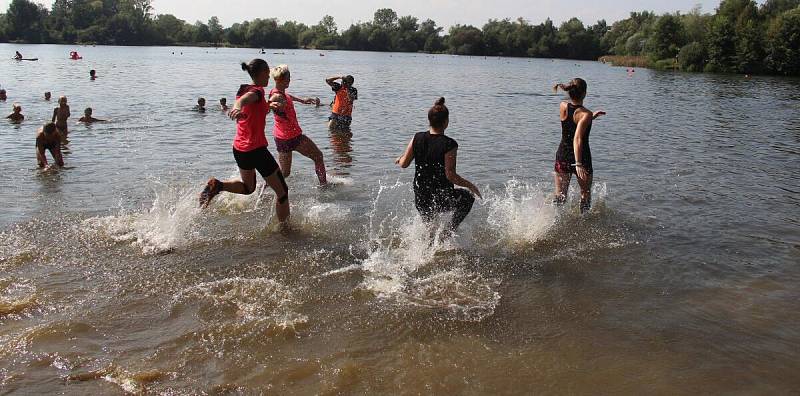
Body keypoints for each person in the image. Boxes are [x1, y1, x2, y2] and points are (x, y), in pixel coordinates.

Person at [198, 59, 290, 224]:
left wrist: (269, 106)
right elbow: (245, 100)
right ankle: (285, 229)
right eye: (267, 75)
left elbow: (252, 105)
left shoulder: (243, 89)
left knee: (249, 188)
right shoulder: (257, 91)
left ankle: (217, 185)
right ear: (261, 74)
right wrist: (237, 107)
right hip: (256, 150)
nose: (269, 78)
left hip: (240, 149)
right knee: (282, 192)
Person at [395, 97, 481, 233]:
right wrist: (470, 186)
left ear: (429, 121)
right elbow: (450, 175)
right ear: (446, 122)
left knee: (430, 230)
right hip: (441, 197)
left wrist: (399, 159)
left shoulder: (417, 137)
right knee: (468, 198)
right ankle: (449, 230)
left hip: (421, 197)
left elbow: (404, 164)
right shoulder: (449, 144)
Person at [552, 78, 606, 213]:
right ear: (585, 93)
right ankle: (584, 222)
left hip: (563, 155)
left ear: (570, 92)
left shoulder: (562, 105)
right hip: (582, 158)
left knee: (560, 195)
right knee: (585, 193)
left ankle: (551, 219)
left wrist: (591, 118)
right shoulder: (585, 114)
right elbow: (577, 138)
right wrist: (578, 163)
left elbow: (572, 120)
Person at [269, 64, 328, 186]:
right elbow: (271, 103)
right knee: (318, 157)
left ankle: (263, 189)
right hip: (291, 138)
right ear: (280, 80)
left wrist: (302, 100)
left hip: (284, 138)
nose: (290, 80)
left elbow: (287, 97)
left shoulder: (280, 93)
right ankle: (324, 186)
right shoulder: (277, 96)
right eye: (288, 79)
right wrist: (272, 107)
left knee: (285, 173)